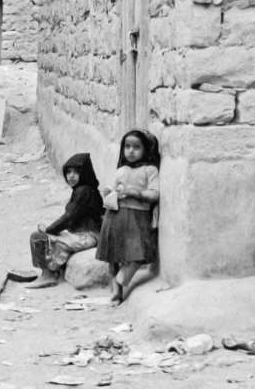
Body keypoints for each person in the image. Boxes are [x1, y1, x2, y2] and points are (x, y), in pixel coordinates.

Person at [95, 128, 160, 304]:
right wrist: (108, 191)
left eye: (136, 147)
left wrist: (137, 192)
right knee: (113, 256)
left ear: (146, 149)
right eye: (127, 146)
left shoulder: (150, 170)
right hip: (115, 216)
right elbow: (112, 187)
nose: (131, 151)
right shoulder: (121, 170)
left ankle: (121, 279)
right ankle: (116, 292)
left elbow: (155, 194)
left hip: (137, 218)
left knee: (139, 254)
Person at [27, 152, 104, 287]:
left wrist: (49, 229)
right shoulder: (83, 189)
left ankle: (48, 275)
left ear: (84, 173)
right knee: (45, 236)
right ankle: (52, 272)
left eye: (76, 172)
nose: (71, 176)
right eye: (68, 172)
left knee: (39, 237)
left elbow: (69, 217)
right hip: (83, 233)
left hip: (89, 235)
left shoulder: (84, 191)